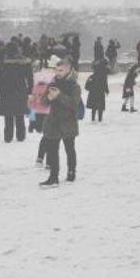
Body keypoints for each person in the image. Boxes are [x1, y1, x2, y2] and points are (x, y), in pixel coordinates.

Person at [39, 56, 82, 186]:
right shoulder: (52, 84)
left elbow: (73, 104)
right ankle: (53, 177)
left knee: (69, 148)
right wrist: (49, 98)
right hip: (53, 122)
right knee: (52, 150)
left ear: (68, 70)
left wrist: (59, 96)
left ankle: (71, 172)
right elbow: (42, 102)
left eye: (61, 70)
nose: (58, 73)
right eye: (56, 70)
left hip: (68, 122)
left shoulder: (75, 86)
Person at [0, 41, 33, 142]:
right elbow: (30, 77)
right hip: (20, 90)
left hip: (6, 90)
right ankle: (20, 136)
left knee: (8, 115)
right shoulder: (24, 63)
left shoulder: (3, 63)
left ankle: (8, 136)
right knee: (19, 114)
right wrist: (30, 89)